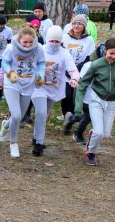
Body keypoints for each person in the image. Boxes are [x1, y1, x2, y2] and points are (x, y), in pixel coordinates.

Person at [74, 37, 115, 166]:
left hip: (113, 102)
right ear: (105, 50)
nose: (114, 56)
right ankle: (91, 153)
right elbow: (82, 85)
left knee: (105, 134)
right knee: (99, 132)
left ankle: (93, 134)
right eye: (111, 53)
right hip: (97, 100)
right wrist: (78, 107)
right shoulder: (96, 65)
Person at [29, 26, 79, 156]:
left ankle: (35, 137)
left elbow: (73, 69)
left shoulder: (64, 53)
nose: (54, 44)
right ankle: (39, 144)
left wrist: (74, 78)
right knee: (41, 112)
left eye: (57, 41)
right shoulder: (39, 50)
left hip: (54, 89)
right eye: (52, 41)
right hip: (38, 88)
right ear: (47, 40)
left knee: (43, 115)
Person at [0, 24, 46, 158]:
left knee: (17, 117)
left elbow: (41, 63)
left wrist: (41, 75)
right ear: (19, 40)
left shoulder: (39, 48)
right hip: (12, 83)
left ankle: (6, 124)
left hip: (28, 84)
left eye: (31, 42)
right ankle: (13, 143)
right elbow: (5, 63)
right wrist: (10, 72)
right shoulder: (11, 47)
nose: (28, 45)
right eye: (25, 42)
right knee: (17, 115)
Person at [60, 14, 95, 124]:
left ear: (84, 26)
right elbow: (60, 53)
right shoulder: (65, 37)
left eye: (79, 23)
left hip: (80, 72)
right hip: (65, 72)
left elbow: (90, 57)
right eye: (74, 23)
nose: (76, 25)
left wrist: (77, 69)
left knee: (76, 96)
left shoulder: (89, 40)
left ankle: (76, 114)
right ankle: (67, 116)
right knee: (66, 94)